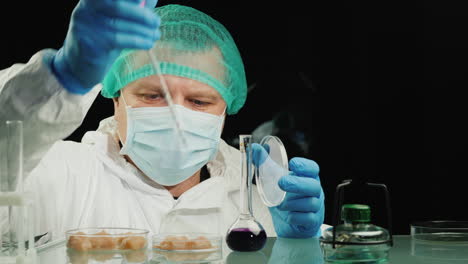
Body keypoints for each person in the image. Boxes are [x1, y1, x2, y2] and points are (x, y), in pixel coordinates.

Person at [0, 0, 326, 243]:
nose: (176, 115)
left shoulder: (257, 205)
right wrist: (62, 77)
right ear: (115, 97)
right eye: (152, 95)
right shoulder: (63, 174)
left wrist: (296, 249)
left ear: (225, 111)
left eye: (199, 101)